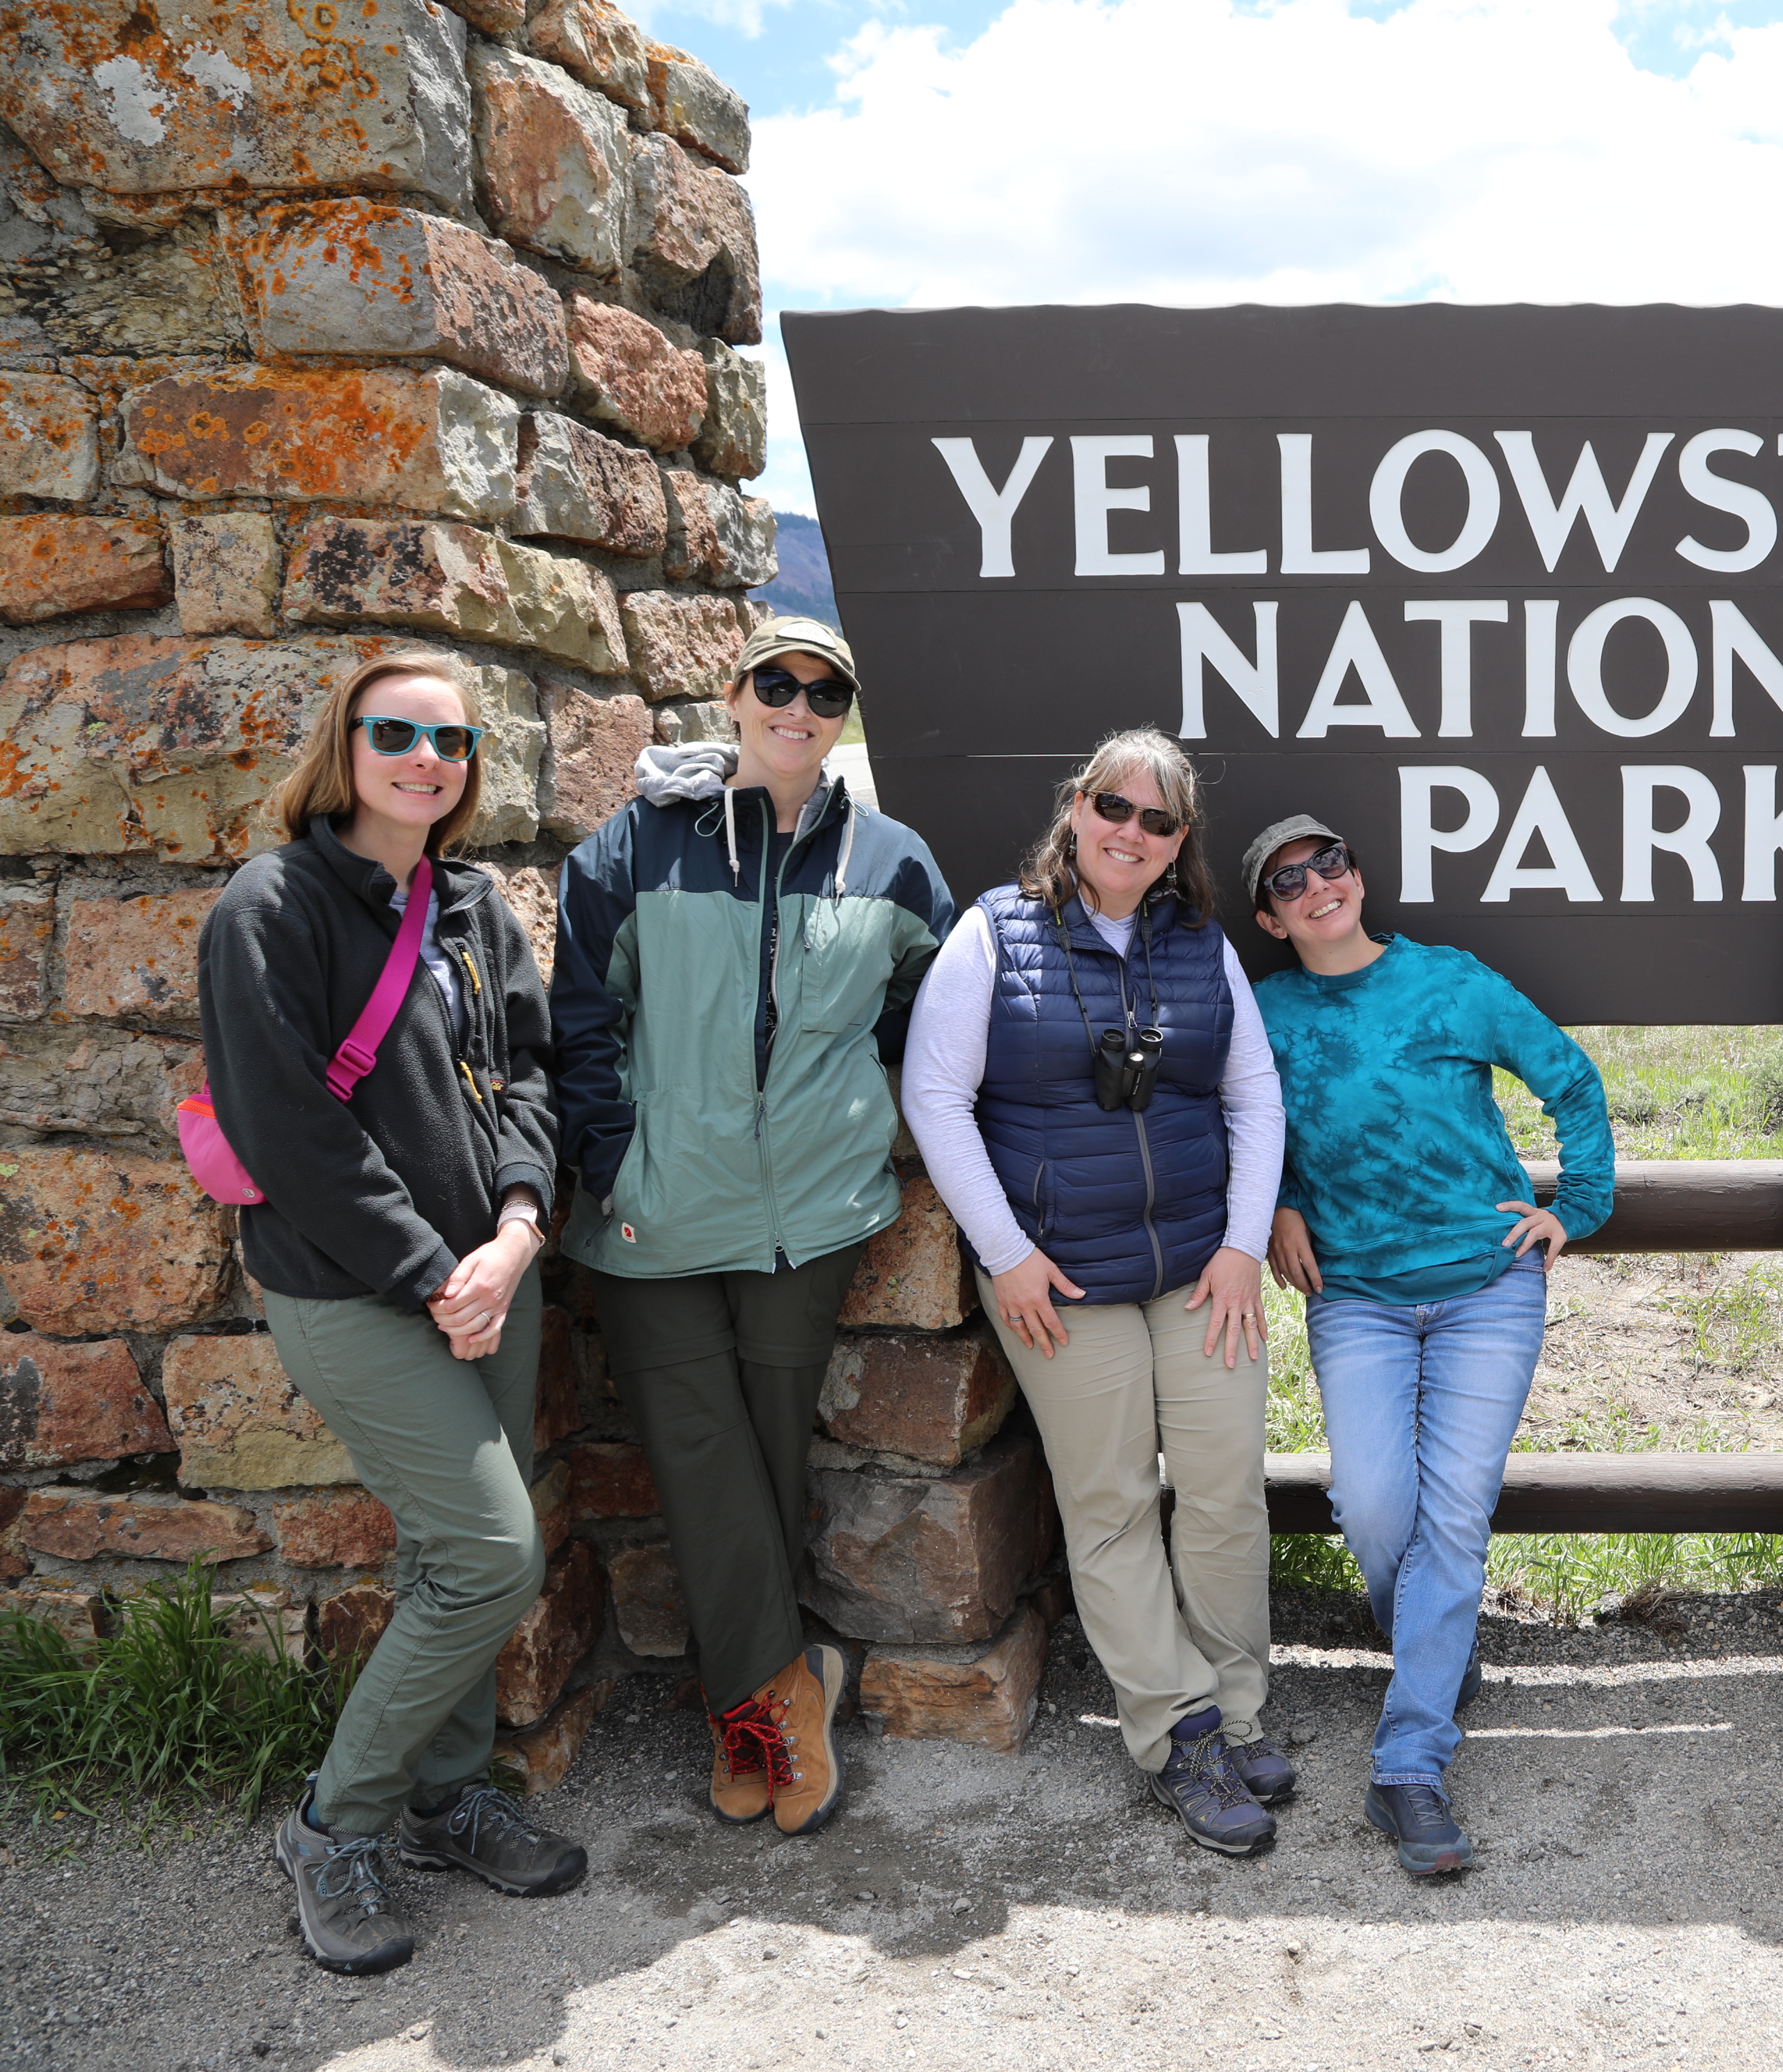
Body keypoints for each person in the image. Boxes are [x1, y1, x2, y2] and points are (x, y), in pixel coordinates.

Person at [201, 649, 583, 1975]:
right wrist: (437, 1269)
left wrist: (520, 1230)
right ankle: (333, 1826)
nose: (428, 758)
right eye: (398, 733)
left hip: (497, 1276)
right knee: (491, 1553)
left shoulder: (475, 907)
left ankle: (445, 1797)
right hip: (359, 1291)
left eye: (453, 740)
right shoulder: (273, 904)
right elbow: (288, 1126)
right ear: (345, 744)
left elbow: (534, 1076)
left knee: (449, 1556)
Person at [553, 617, 956, 1838]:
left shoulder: (889, 859)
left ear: (845, 714)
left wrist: (862, 1116)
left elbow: (930, 1017)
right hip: (654, 1213)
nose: (798, 708)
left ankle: (758, 1703)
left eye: (824, 692)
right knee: (693, 1453)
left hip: (812, 1213)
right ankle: (780, 1690)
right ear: (732, 696)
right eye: (774, 685)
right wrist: (621, 1163)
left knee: (772, 1458)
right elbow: (580, 1023)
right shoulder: (633, 848)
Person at [901, 730, 1287, 1857]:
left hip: (1201, 1272)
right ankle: (1179, 1734)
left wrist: (1242, 1247)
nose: (1132, 833)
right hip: (1063, 1281)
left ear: (1179, 846)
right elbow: (936, 1096)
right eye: (1114, 807)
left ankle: (1241, 1706)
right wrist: (1006, 1252)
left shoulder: (1200, 943)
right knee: (1112, 1503)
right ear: (1078, 808)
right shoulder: (993, 933)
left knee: (1225, 1491)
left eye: (1159, 821)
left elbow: (1254, 1098)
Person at [1246, 815, 1615, 1877]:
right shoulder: (1266, 1013)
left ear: (1357, 876)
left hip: (1488, 1287)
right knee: (1373, 1506)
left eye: (1333, 862)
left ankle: (1409, 1763)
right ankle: (1436, 1644)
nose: (1320, 884)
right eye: (1291, 880)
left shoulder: (1452, 983)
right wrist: (1276, 1202)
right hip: (1354, 1294)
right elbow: (1239, 1122)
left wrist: (1575, 1205)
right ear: (1271, 916)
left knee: (1453, 1512)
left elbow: (1572, 1081)